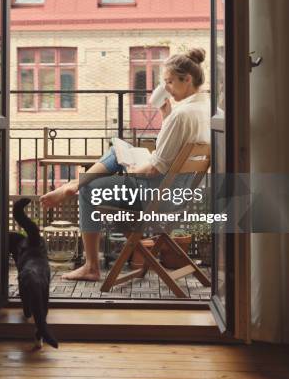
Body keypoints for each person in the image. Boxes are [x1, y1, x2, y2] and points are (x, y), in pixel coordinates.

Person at [40, 47, 210, 281]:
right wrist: (165, 113)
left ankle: (91, 266)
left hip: (156, 196)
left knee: (90, 189)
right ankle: (74, 184)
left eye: (169, 82)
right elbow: (172, 152)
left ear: (187, 79)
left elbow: (153, 169)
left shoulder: (182, 115)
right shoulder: (208, 110)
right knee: (119, 148)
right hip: (178, 193)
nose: (166, 88)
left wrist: (130, 168)